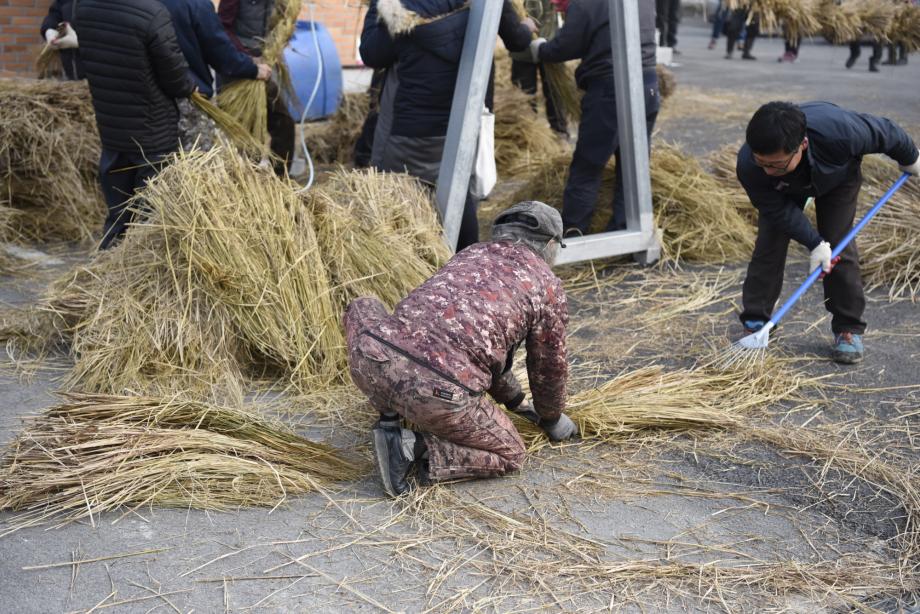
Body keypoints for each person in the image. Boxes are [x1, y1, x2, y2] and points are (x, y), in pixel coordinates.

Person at [345, 201, 577, 497]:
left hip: (371, 359)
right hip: (436, 393)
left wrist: (518, 402)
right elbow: (549, 367)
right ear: (550, 243)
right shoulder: (545, 285)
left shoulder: (471, 253)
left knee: (364, 305)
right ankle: (407, 446)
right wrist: (553, 417)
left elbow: (473, 349)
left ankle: (388, 411)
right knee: (511, 453)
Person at [735, 101, 920, 363]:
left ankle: (848, 327)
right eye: (761, 162)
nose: (767, 170)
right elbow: (778, 211)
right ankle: (756, 320)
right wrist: (814, 243)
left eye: (775, 164)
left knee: (839, 243)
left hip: (838, 177)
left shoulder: (841, 131)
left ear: (802, 145)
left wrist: (911, 158)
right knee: (769, 243)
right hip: (783, 192)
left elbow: (887, 133)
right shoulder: (750, 166)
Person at [359, 0, 534, 251]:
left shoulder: (399, 4)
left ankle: (411, 265)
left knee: (399, 198)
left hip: (408, 128)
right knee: (459, 195)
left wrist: (378, 6)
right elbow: (518, 40)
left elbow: (372, 54)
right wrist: (526, 26)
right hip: (462, 121)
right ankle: (464, 269)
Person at [75, 0, 196, 249]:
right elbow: (175, 78)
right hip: (152, 132)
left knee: (118, 214)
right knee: (148, 216)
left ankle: (104, 267)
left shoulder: (84, 8)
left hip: (112, 127)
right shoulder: (152, 14)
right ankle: (136, 276)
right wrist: (189, 86)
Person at [532, 0, 659, 234]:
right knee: (632, 167)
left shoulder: (588, 2)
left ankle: (573, 232)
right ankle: (626, 232)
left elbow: (566, 46)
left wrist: (541, 49)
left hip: (611, 90)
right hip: (648, 85)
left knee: (587, 166)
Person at [158, 0, 272, 151]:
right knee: (195, 156)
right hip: (190, 97)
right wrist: (253, 69)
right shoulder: (196, 5)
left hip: (148, 96)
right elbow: (221, 54)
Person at [218, 0, 295, 174]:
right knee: (249, 133)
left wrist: (281, 38)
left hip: (265, 67)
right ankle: (248, 188)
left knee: (284, 123)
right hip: (239, 70)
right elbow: (222, 29)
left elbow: (280, 22)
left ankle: (280, 180)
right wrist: (247, 59)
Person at [509, 0, 568, 136]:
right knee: (524, 97)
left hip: (551, 45)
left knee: (556, 92)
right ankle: (528, 134)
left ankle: (560, 132)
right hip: (522, 49)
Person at [40, 0, 83, 80]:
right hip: (71, 74)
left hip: (103, 78)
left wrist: (81, 42)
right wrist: (50, 30)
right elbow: (54, 14)